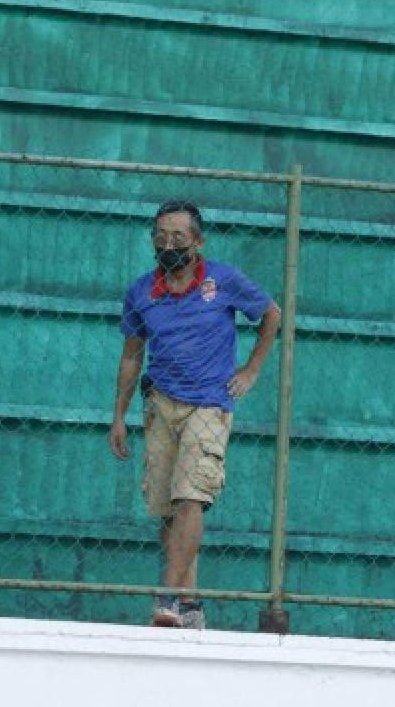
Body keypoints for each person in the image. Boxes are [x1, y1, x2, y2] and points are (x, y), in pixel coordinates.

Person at [109, 200, 281, 629]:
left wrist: (251, 369)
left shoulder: (222, 280)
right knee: (168, 509)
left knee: (191, 497)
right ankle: (190, 605)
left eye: (178, 237)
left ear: (198, 242)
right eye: (161, 237)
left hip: (209, 402)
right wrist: (118, 416)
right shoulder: (140, 292)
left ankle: (166, 599)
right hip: (160, 403)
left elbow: (271, 314)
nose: (169, 245)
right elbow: (132, 356)